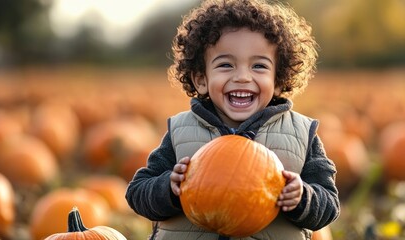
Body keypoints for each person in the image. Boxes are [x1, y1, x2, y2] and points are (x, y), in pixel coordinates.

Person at [125, 0, 340, 239]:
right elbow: (137, 193)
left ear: (278, 81)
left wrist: (303, 198)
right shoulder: (181, 132)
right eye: (226, 65)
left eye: (259, 66)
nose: (242, 77)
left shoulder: (301, 135)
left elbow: (329, 205)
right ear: (201, 80)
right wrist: (168, 188)